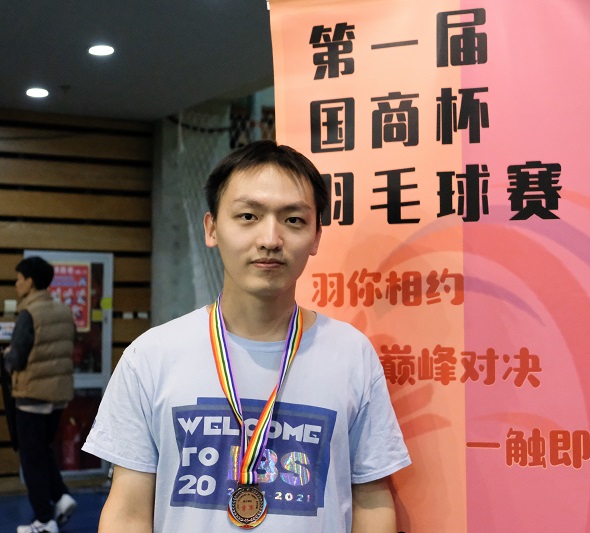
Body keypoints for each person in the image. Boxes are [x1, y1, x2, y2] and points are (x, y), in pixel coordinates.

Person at [83, 140, 411, 532]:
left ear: (316, 237)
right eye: (248, 216)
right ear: (212, 228)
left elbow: (371, 501)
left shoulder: (351, 354)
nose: (270, 238)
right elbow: (127, 511)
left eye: (294, 220)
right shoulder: (151, 356)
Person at [3, 257, 78, 533]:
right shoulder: (64, 312)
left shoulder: (29, 314)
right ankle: (61, 497)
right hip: (57, 396)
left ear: (30, 281)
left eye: (19, 278)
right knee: (42, 451)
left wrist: (7, 357)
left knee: (31, 459)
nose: (16, 284)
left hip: (31, 396)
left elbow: (18, 359)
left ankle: (44, 520)